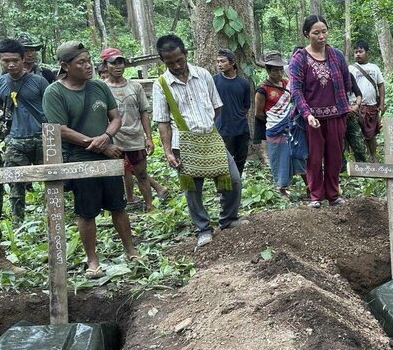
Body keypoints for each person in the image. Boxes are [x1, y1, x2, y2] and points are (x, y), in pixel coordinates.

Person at [42, 41, 138, 277]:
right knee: (87, 211)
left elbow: (115, 118)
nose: (88, 66)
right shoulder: (55, 92)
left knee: (118, 205)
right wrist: (98, 146)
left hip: (107, 151)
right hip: (78, 158)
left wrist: (106, 137)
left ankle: (131, 250)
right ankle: (92, 259)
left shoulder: (99, 87)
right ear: (66, 66)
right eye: (81, 62)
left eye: (88, 60)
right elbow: (60, 129)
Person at [152, 34, 244, 247]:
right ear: (162, 60)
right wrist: (167, 151)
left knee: (233, 179)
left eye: (179, 60)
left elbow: (216, 106)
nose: (176, 65)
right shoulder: (161, 84)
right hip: (181, 143)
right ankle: (203, 228)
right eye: (170, 62)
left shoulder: (203, 75)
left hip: (210, 137)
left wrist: (204, 126)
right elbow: (163, 122)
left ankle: (228, 219)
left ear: (185, 54)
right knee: (193, 189)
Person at [289, 15, 352, 208]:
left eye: (324, 31)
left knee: (335, 156)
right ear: (307, 34)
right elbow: (296, 89)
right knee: (314, 158)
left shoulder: (337, 55)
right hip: (312, 118)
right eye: (316, 33)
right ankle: (315, 195)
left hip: (336, 116)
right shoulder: (300, 59)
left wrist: (346, 105)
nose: (321, 36)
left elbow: (346, 81)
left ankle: (333, 194)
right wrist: (307, 114)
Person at [0, 38, 48, 226]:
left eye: (15, 60)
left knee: (51, 178)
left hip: (41, 136)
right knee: (15, 182)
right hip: (14, 139)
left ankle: (53, 215)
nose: (11, 64)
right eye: (6, 61)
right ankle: (17, 222)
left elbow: (50, 107)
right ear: (0, 60)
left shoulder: (39, 82)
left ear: (23, 59)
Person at [100, 47, 167, 213]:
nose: (118, 66)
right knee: (120, 175)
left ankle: (150, 206)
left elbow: (143, 112)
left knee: (142, 174)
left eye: (120, 62)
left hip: (135, 137)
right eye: (113, 63)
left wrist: (148, 137)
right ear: (105, 65)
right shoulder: (101, 89)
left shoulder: (135, 87)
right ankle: (123, 205)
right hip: (114, 140)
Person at [255, 50, 307, 199]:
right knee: (280, 159)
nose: (278, 73)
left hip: (291, 128)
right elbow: (259, 113)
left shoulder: (286, 83)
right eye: (275, 70)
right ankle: (282, 188)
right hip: (275, 129)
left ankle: (309, 186)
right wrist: (276, 121)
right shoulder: (262, 89)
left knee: (299, 155)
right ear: (268, 70)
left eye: (280, 69)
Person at [213, 49, 252, 176]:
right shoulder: (214, 81)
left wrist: (237, 116)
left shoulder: (244, 83)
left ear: (232, 62)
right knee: (224, 161)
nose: (219, 64)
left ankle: (237, 184)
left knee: (241, 159)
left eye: (223, 61)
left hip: (241, 128)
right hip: (223, 129)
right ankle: (224, 189)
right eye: (218, 61)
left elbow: (246, 106)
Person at [349, 40, 385, 161]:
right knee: (357, 135)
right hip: (356, 107)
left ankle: (373, 156)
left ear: (366, 52)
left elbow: (380, 85)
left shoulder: (374, 68)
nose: (358, 54)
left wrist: (381, 103)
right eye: (356, 52)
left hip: (372, 106)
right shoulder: (351, 69)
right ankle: (359, 159)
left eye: (361, 51)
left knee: (371, 134)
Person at [343, 71, 367, 168]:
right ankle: (342, 169)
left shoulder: (348, 75)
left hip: (350, 115)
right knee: (337, 146)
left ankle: (362, 168)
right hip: (335, 116)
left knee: (358, 144)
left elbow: (358, 93)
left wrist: (356, 105)